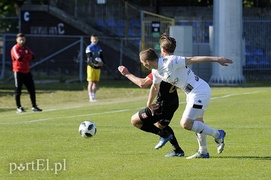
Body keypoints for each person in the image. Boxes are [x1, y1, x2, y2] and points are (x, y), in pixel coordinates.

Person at [139, 34, 233, 159]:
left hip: (199, 91)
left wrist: (217, 59)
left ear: (147, 62)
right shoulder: (156, 71)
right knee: (199, 123)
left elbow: (193, 59)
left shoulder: (171, 61)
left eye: (142, 62)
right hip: (191, 93)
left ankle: (218, 134)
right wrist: (149, 102)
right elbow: (155, 87)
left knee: (186, 124)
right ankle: (203, 151)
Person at [118, 65, 185, 157]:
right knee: (161, 125)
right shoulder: (173, 66)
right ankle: (177, 150)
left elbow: (142, 83)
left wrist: (127, 73)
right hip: (173, 102)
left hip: (161, 106)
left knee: (135, 121)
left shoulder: (159, 70)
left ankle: (164, 135)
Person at [10, 33, 42, 113]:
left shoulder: (26, 48)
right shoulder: (15, 48)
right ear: (17, 40)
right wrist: (27, 57)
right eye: (20, 39)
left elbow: (33, 56)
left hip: (27, 71)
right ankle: (19, 107)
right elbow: (20, 58)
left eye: (23, 39)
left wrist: (26, 57)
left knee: (32, 89)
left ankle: (34, 106)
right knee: (18, 90)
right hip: (18, 71)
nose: (22, 41)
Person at [85, 34, 104, 102]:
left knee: (96, 82)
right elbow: (89, 58)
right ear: (91, 39)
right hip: (91, 67)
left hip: (97, 68)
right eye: (93, 39)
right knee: (90, 82)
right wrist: (96, 63)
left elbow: (101, 57)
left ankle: (94, 95)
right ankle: (90, 96)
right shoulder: (89, 48)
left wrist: (102, 62)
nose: (95, 40)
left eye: (96, 39)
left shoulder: (99, 48)